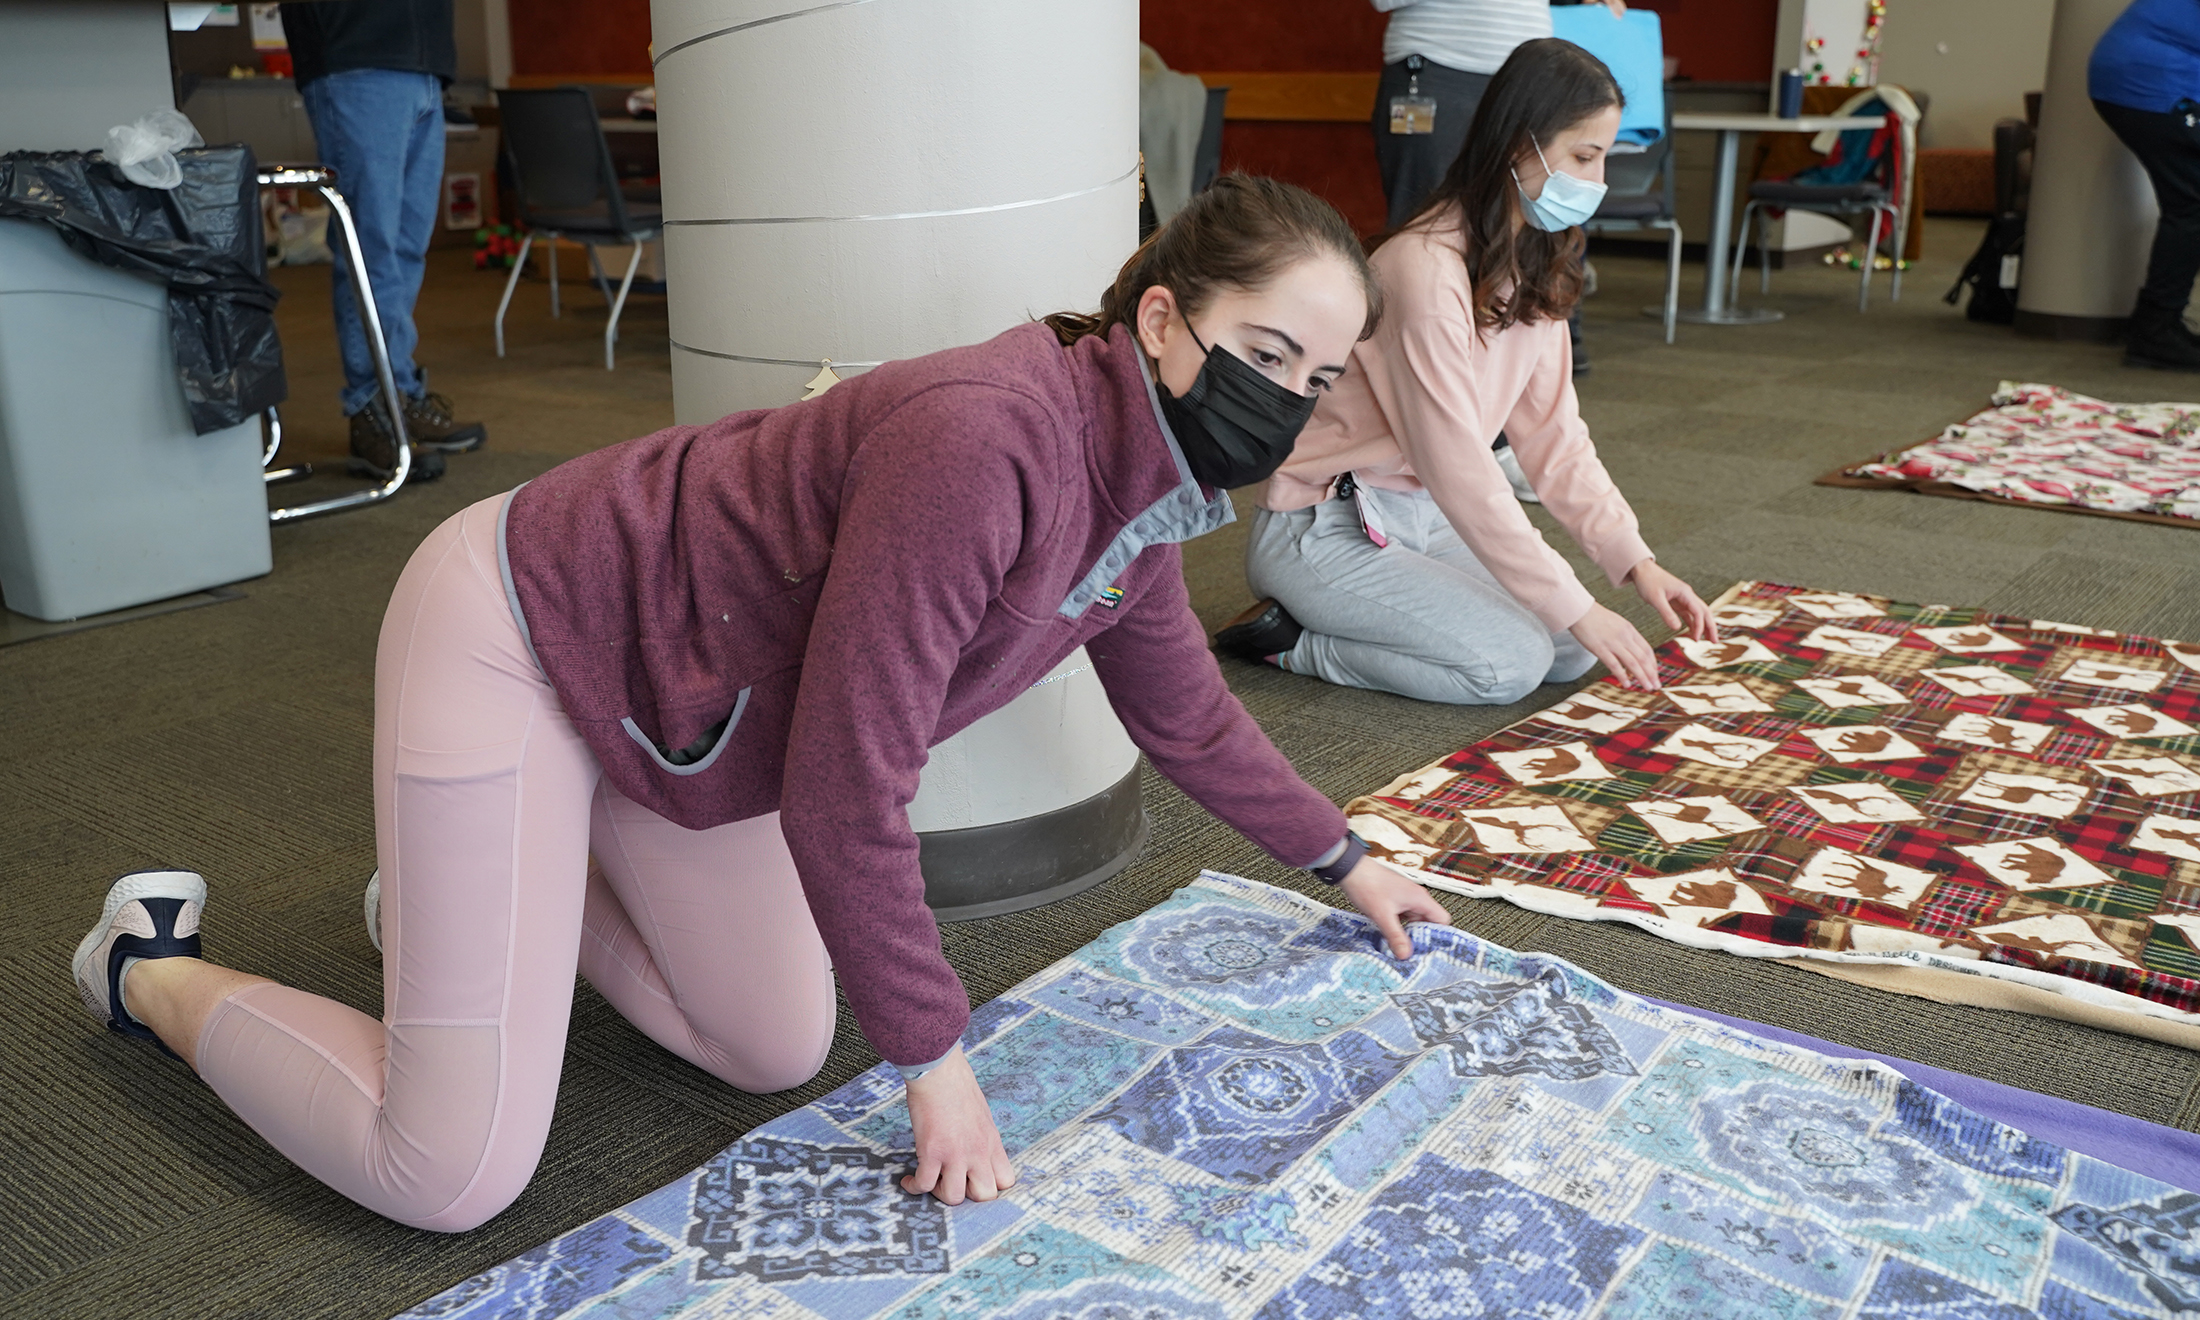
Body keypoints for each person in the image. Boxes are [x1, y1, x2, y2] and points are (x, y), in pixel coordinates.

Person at [69, 176, 1453, 1230]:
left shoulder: (1143, 491)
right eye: (1266, 354)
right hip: (524, 631)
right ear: (1163, 319)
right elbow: (851, 785)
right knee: (446, 1174)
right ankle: (147, 964)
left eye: (1318, 379)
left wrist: (1350, 860)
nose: (1289, 401)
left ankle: (436, 904)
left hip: (680, 716)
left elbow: (1187, 717)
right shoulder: (985, 442)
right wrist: (935, 1059)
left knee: (772, 1044)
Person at [1217, 39, 1714, 707]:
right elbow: (1458, 465)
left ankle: (1390, 620)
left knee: (1566, 651)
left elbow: (1555, 438)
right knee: (1507, 666)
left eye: (1603, 158)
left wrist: (1635, 560)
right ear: (1519, 147)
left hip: (1426, 512)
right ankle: (1291, 641)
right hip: (1328, 524)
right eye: (1583, 157)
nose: (1595, 183)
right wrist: (1577, 602)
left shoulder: (1536, 257)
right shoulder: (1421, 268)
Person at [281, 0, 489, 481]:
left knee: (406, 248)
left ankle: (398, 391)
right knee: (369, 249)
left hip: (426, 65)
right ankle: (371, 407)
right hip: (355, 55)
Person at [2088, 0, 2200, 372]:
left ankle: (2156, 326)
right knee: (2192, 205)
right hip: (2151, 81)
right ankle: (2155, 332)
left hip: (2141, 77)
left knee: (2189, 204)